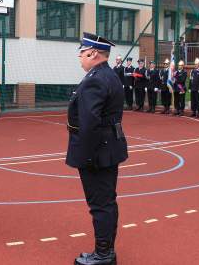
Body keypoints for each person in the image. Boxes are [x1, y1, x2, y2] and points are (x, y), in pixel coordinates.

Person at [66, 32, 128, 265]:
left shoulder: (95, 79)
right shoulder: (108, 75)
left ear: (92, 53)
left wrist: (86, 156)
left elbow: (90, 122)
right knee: (107, 203)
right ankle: (105, 251)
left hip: (97, 152)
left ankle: (103, 255)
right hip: (108, 147)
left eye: (82, 53)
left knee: (100, 205)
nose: (80, 57)